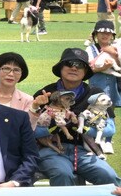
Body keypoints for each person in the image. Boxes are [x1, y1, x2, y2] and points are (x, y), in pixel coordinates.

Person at [31, 48, 121, 188]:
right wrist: (53, 126)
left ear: (85, 71)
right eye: (69, 63)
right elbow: (30, 130)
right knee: (63, 173)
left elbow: (110, 128)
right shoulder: (46, 94)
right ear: (61, 68)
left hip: (86, 151)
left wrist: (86, 129)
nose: (74, 67)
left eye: (80, 65)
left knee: (108, 175)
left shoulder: (96, 94)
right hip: (51, 150)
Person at [86, 19, 121, 154]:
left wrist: (115, 56)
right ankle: (96, 139)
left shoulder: (116, 48)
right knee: (95, 113)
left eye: (108, 33)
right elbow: (88, 69)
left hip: (112, 86)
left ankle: (108, 141)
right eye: (101, 32)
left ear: (112, 35)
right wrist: (103, 68)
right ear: (96, 34)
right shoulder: (90, 49)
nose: (105, 35)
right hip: (96, 87)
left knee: (110, 112)